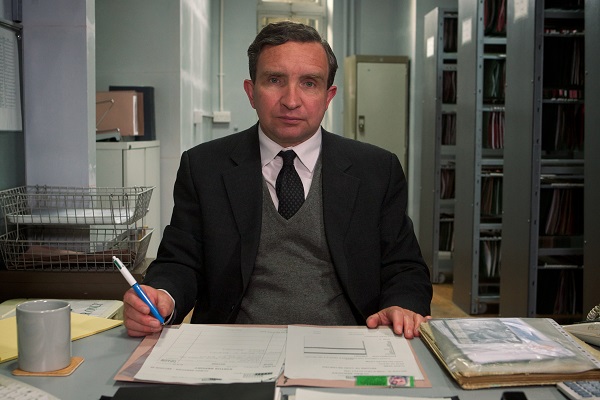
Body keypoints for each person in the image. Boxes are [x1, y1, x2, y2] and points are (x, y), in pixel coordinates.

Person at [123, 21, 432, 339]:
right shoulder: (204, 167)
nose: (291, 100)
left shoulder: (377, 170)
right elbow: (180, 261)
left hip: (348, 344)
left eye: (309, 83)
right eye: (274, 80)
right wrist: (162, 297)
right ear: (251, 91)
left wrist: (402, 304)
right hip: (231, 347)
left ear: (328, 96)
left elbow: (403, 265)